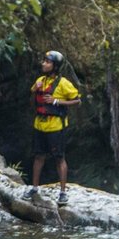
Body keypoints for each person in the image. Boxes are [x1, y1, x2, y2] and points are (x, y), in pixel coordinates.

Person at [24, 50, 81, 204]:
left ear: (55, 66)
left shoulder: (63, 83)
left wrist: (57, 101)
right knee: (38, 156)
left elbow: (77, 101)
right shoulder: (40, 81)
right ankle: (34, 188)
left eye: (47, 62)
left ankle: (63, 192)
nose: (44, 64)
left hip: (56, 127)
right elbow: (32, 103)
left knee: (59, 158)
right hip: (40, 125)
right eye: (44, 61)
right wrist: (35, 90)